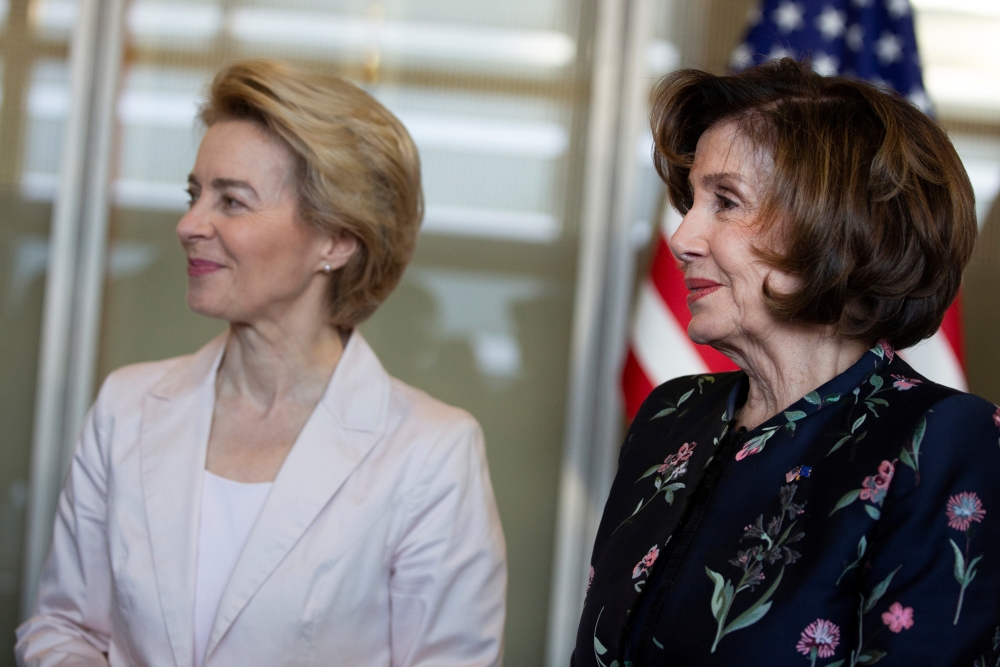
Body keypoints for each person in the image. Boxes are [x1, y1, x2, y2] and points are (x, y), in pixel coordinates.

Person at [16, 60, 506, 667]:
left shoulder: (431, 453)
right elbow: (63, 627)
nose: (190, 225)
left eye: (233, 201)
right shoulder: (126, 406)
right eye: (195, 194)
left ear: (336, 240)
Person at [575, 59, 1000, 666]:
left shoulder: (945, 442)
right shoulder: (672, 416)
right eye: (692, 199)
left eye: (724, 201)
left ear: (835, 227)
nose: (682, 236)